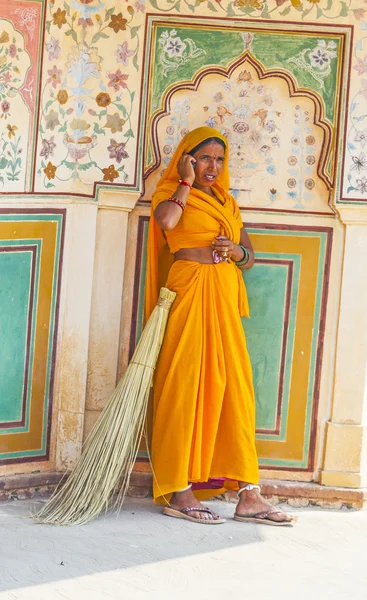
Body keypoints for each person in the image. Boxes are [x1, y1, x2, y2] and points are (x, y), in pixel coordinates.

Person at [145, 127, 295, 526]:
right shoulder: (171, 192)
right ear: (188, 159)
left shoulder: (228, 202)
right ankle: (180, 490)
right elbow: (167, 220)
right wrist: (184, 182)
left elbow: (248, 256)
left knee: (235, 387)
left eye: (219, 160)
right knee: (185, 384)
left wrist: (237, 249)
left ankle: (249, 492)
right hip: (190, 290)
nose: (213, 166)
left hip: (224, 294)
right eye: (205, 158)